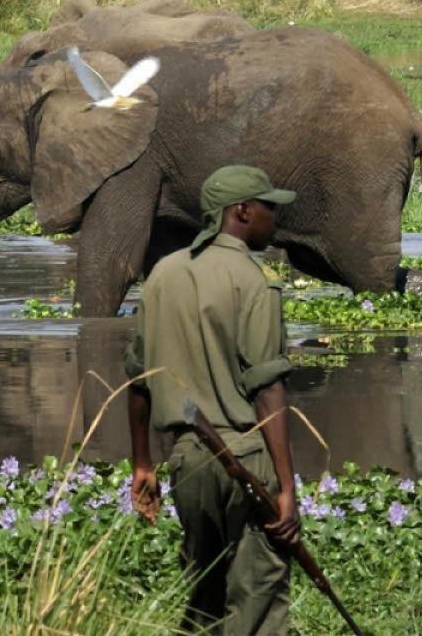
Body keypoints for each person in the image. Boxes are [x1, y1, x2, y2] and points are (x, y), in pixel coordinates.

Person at [125, 165, 302, 636]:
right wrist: (286, 488)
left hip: (188, 463)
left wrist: (142, 464)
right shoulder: (255, 281)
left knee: (205, 592)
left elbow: (138, 381)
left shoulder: (162, 275)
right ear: (241, 212)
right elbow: (267, 389)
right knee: (259, 595)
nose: (275, 216)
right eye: (268, 206)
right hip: (246, 456)